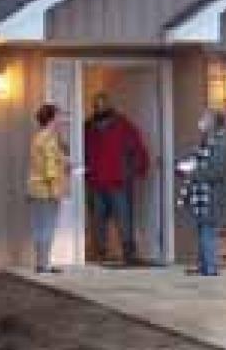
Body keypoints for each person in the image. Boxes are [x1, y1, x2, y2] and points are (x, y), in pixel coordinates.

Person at [83, 92, 150, 265]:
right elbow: (81, 150)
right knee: (98, 220)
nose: (99, 107)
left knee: (124, 218)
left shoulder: (123, 125)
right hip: (95, 181)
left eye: (102, 103)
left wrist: (136, 170)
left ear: (109, 104)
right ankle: (99, 253)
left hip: (118, 181)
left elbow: (137, 147)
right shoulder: (87, 127)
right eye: (96, 104)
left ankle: (129, 253)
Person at [177, 109, 226, 276]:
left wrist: (192, 171)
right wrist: (183, 166)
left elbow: (217, 171)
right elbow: (197, 161)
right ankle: (203, 265)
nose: (201, 121)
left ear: (213, 123)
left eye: (205, 119)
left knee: (208, 231)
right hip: (201, 195)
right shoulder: (206, 142)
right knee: (202, 230)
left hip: (211, 196)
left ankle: (211, 268)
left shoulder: (220, 144)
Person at [27, 103, 69, 274]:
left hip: (35, 189)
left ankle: (41, 263)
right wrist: (55, 191)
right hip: (47, 189)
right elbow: (50, 167)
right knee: (48, 227)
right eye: (59, 116)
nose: (62, 119)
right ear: (52, 118)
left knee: (39, 227)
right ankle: (44, 264)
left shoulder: (38, 137)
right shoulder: (49, 139)